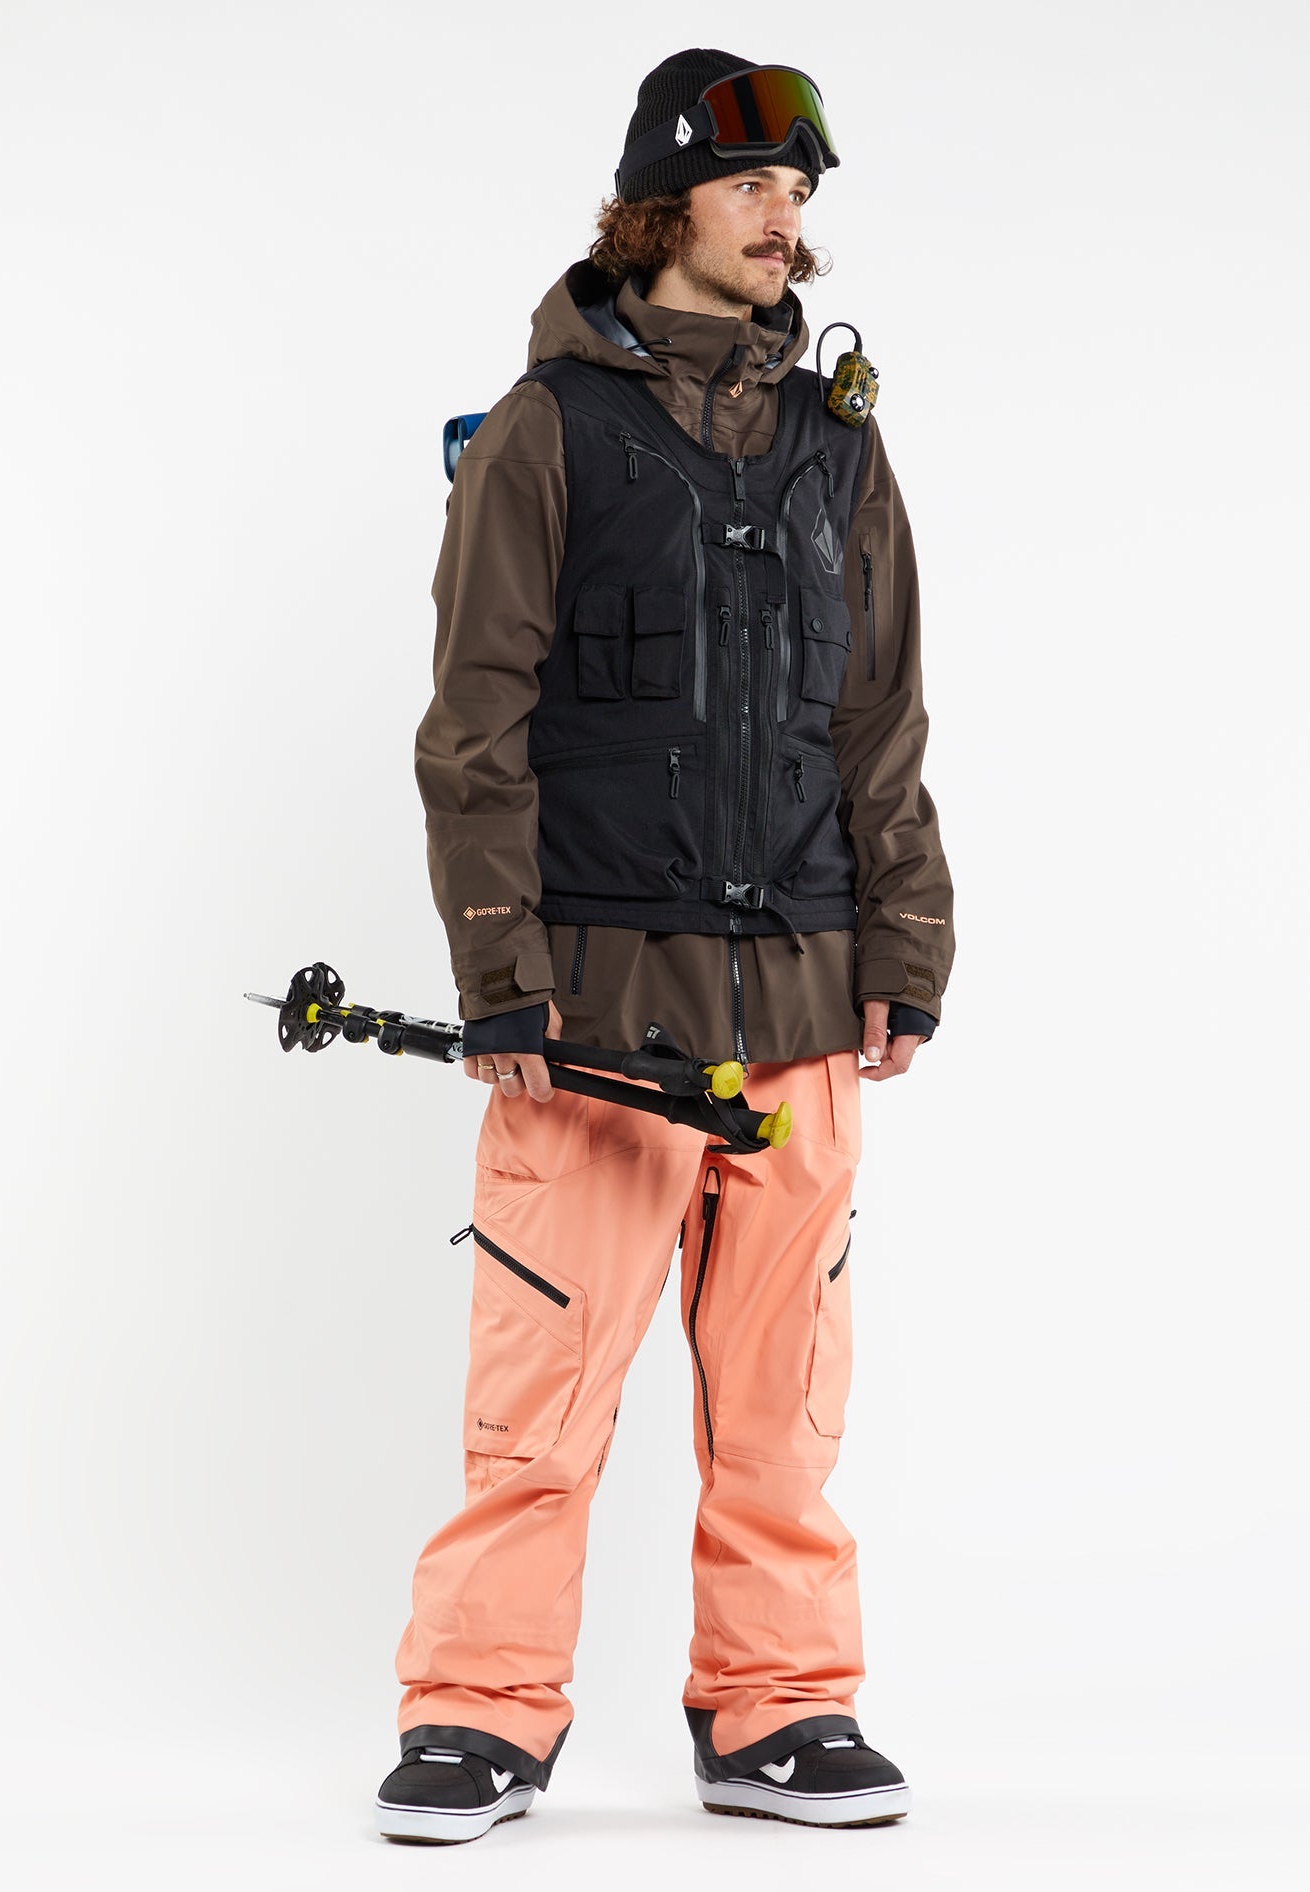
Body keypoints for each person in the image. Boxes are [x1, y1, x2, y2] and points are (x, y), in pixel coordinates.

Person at [375, 48, 955, 1843]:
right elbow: (474, 724)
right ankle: (477, 1714)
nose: (789, 217)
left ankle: (779, 1709)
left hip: (804, 1006)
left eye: (802, 191)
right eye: (754, 185)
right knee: (541, 1393)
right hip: (595, 1022)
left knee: (784, 1403)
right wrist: (499, 973)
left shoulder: (838, 440)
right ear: (661, 207)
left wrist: (908, 941)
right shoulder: (546, 429)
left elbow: (881, 718)